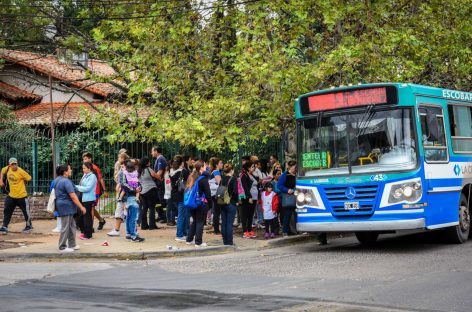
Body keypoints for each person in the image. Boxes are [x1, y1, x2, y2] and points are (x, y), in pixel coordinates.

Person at [54, 164, 86, 252]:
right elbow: (73, 196)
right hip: (66, 206)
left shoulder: (58, 180)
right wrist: (81, 206)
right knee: (65, 227)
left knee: (72, 226)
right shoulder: (66, 181)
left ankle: (72, 244)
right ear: (65, 172)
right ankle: (62, 246)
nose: (71, 171)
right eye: (69, 169)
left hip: (65, 206)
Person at [0, 158, 33, 234]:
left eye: (15, 164)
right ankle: (4, 227)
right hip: (11, 195)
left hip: (22, 196)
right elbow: (2, 170)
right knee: (7, 211)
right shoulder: (7, 169)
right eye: (12, 164)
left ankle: (29, 226)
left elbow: (29, 178)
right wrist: (1, 180)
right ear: (9, 165)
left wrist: (24, 182)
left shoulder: (21, 171)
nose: (14, 166)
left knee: (26, 212)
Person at [185, 160, 212, 247]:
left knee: (195, 221)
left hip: (192, 203)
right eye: (205, 166)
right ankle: (198, 242)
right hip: (201, 203)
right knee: (200, 222)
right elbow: (208, 194)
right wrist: (210, 205)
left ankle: (189, 239)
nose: (206, 167)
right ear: (201, 168)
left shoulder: (192, 176)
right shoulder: (203, 179)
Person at [120, 160, 145, 242]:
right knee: (133, 218)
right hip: (131, 197)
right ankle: (134, 235)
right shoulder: (124, 173)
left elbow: (138, 183)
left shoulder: (128, 173)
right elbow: (124, 184)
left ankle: (128, 234)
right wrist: (135, 190)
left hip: (129, 197)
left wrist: (139, 188)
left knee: (129, 217)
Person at [82, 152, 107, 230]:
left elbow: (100, 179)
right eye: (83, 159)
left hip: (95, 191)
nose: (84, 160)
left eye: (86, 158)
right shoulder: (85, 167)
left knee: (91, 209)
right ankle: (101, 220)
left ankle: (90, 227)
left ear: (90, 159)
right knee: (91, 208)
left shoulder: (95, 168)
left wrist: (104, 190)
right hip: (87, 191)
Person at [75, 162, 98, 240]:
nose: (83, 169)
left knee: (86, 217)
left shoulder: (93, 176)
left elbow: (87, 188)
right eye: (83, 168)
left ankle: (88, 234)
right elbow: (82, 186)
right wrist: (78, 187)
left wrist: (76, 187)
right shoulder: (85, 175)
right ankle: (84, 231)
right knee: (80, 215)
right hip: (82, 197)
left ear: (89, 168)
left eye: (84, 168)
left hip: (88, 199)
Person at [108, 153, 129, 236]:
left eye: (119, 157)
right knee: (122, 212)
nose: (118, 159)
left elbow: (124, 182)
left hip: (124, 193)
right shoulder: (123, 167)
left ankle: (124, 231)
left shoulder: (125, 168)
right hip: (123, 192)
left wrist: (119, 186)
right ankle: (118, 230)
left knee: (123, 211)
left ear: (123, 159)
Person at [137, 157, 158, 230]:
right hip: (151, 189)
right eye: (149, 162)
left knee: (144, 208)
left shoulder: (138, 171)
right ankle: (152, 225)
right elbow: (157, 176)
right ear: (146, 163)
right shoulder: (149, 169)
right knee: (152, 208)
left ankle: (144, 225)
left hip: (143, 191)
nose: (150, 163)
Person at [171, 156, 190, 241]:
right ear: (182, 163)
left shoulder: (171, 171)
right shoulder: (184, 172)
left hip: (174, 195)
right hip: (182, 195)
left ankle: (184, 233)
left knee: (182, 215)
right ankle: (180, 235)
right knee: (182, 216)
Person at [277, 160, 297, 237]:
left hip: (298, 198)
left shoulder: (297, 174)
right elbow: (279, 185)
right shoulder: (285, 175)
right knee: (287, 215)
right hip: (289, 198)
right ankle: (285, 231)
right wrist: (287, 190)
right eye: (295, 167)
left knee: (298, 215)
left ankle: (299, 230)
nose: (296, 168)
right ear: (291, 167)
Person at [220, 163, 238, 246]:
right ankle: (229, 242)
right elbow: (235, 191)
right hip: (231, 203)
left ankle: (225, 241)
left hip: (222, 202)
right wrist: (236, 200)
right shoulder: (233, 179)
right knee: (229, 223)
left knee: (224, 222)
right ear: (231, 170)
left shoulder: (222, 179)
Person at [240, 160, 258, 238]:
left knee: (251, 215)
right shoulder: (244, 175)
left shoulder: (252, 175)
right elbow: (245, 187)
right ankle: (245, 231)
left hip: (254, 197)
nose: (254, 168)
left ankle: (250, 230)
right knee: (245, 215)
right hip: (248, 198)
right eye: (252, 167)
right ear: (248, 167)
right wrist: (249, 197)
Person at [151, 146, 167, 223]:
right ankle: (160, 216)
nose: (151, 153)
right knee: (158, 200)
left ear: (156, 151)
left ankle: (164, 217)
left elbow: (160, 172)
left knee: (162, 199)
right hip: (158, 183)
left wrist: (154, 177)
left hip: (160, 183)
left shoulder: (161, 159)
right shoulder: (158, 159)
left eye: (152, 151)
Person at [208, 157, 223, 233]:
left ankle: (216, 229)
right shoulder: (216, 172)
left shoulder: (213, 171)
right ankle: (216, 230)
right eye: (220, 163)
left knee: (216, 211)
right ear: (217, 164)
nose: (222, 164)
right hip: (217, 194)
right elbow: (220, 183)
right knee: (217, 211)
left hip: (214, 194)